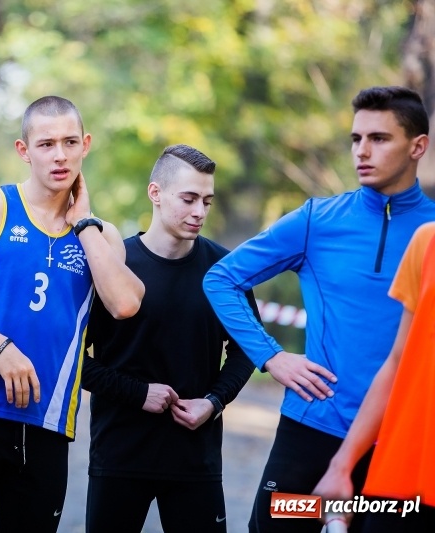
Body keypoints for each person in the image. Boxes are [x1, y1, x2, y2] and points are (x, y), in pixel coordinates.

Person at [203, 85, 435, 532]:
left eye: (379, 138)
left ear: (417, 147)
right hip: (313, 429)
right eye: (355, 139)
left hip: (399, 445)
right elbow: (222, 278)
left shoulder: (432, 233)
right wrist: (271, 356)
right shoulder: (317, 220)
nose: (362, 151)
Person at [0, 95, 145, 533]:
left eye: (70, 142)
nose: (60, 155)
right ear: (23, 151)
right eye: (46, 144)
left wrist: (83, 224)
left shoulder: (100, 235)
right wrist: (0, 348)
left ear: (86, 144)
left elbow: (124, 305)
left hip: (48, 423)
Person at [81, 144, 257, 533]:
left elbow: (249, 350)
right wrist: (137, 393)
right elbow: (74, 359)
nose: (199, 212)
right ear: (156, 193)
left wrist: (213, 403)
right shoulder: (113, 267)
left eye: (207, 201)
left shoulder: (226, 271)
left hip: (196, 461)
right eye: (189, 198)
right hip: (119, 456)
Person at [313, 221, 435, 532]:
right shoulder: (427, 239)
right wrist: (341, 466)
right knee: (280, 513)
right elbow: (397, 363)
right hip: (402, 483)